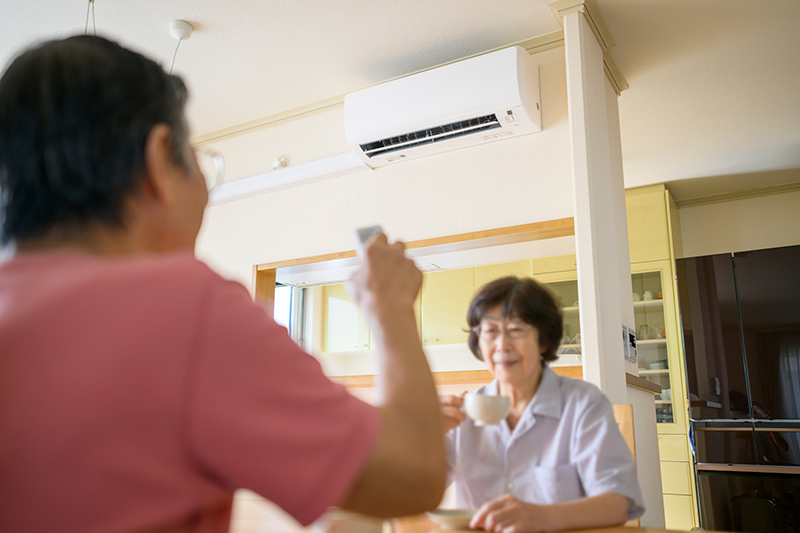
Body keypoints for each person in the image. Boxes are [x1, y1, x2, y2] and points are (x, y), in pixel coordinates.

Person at [0, 36, 446, 532]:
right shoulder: (182, 307)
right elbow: (414, 475)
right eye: (200, 162)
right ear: (158, 161)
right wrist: (390, 308)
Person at [440, 276, 645, 532]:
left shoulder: (583, 404)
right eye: (490, 331)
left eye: (516, 330)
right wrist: (426, 438)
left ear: (544, 340)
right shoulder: (465, 412)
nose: (502, 345)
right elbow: (416, 493)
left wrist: (543, 516)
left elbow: (619, 502)